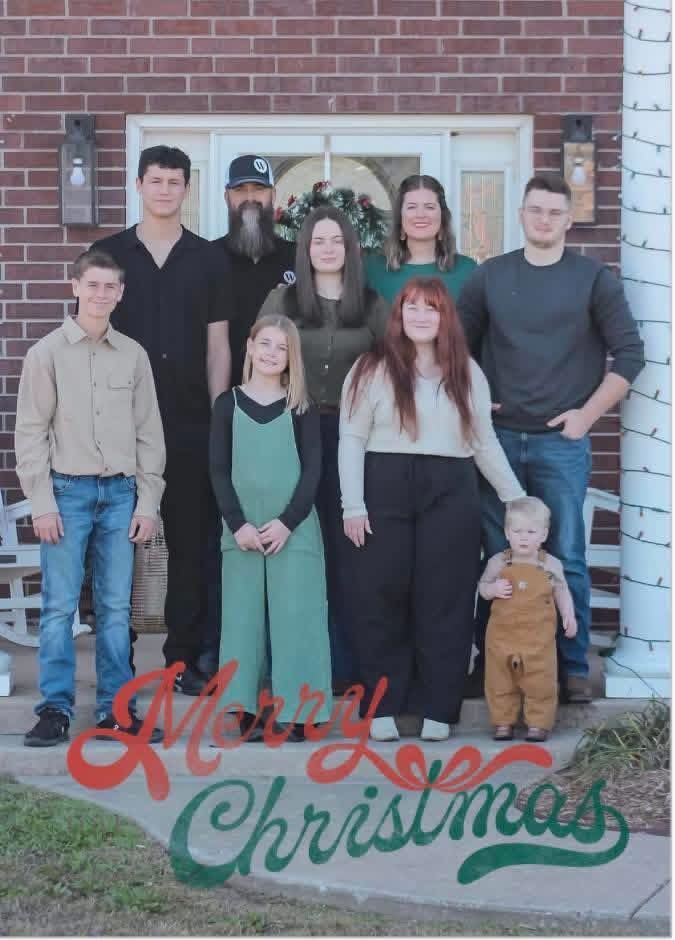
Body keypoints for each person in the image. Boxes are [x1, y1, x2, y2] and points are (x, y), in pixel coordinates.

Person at [458, 173, 645, 705]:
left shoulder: (593, 279)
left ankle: (571, 667)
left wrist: (587, 416)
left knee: (565, 554)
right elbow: (454, 348)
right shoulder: (491, 277)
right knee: (496, 553)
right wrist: (475, 398)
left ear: (568, 219)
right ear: (521, 213)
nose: (544, 219)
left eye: (554, 212)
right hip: (495, 442)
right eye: (535, 209)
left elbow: (630, 354)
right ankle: (493, 666)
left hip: (561, 443)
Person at [338, 277, 524, 743]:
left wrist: (515, 498)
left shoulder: (467, 372)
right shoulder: (370, 367)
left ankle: (439, 707)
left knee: (445, 598)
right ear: (398, 315)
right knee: (381, 596)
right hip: (383, 485)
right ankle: (383, 706)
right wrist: (352, 505)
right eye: (412, 307)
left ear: (445, 318)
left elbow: (483, 441)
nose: (421, 316)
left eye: (431, 308)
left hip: (451, 489)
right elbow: (351, 439)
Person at [92, 145, 231, 695]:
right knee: (115, 546)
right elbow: (90, 339)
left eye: (175, 181)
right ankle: (117, 662)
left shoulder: (208, 259)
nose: (165, 190)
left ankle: (184, 660)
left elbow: (218, 345)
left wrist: (221, 417)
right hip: (119, 427)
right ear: (138, 185)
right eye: (156, 180)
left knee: (192, 546)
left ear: (187, 189)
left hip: (192, 423)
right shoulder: (109, 255)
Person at [15, 249, 165, 746]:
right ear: (75, 286)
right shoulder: (46, 354)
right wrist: (41, 501)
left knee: (116, 609)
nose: (101, 295)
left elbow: (149, 434)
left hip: (121, 495)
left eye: (110, 287)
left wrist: (147, 501)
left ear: (121, 293)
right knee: (59, 607)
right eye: (92, 285)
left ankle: (115, 713)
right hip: (66, 493)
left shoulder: (134, 355)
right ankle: (55, 710)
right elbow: (30, 432)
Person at [257, 207, 389, 694]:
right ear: (305, 249)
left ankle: (343, 665)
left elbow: (398, 366)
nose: (328, 249)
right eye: (318, 241)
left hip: (355, 438)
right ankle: (287, 664)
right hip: (292, 431)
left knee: (347, 550)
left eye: (337, 240)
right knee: (294, 546)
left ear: (350, 248)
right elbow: (261, 360)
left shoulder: (371, 304)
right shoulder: (284, 299)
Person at [209, 315, 332, 742]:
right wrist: (237, 523)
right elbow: (218, 470)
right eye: (265, 343)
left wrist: (287, 522)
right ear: (249, 346)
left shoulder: (301, 407)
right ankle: (244, 710)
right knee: (242, 619)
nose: (271, 353)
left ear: (291, 357)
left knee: (296, 616)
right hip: (241, 528)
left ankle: (301, 713)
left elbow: (313, 471)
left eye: (282, 348)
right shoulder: (227, 405)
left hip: (292, 527)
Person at [480, 497, 577, 743]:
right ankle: (503, 722)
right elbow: (482, 587)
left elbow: (562, 591)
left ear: (543, 534)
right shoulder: (498, 562)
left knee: (540, 680)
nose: (523, 538)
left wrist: (568, 615)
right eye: (517, 531)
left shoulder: (550, 564)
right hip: (502, 637)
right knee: (500, 680)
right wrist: (492, 589)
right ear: (506, 532)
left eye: (531, 532)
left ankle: (538, 724)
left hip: (538, 640)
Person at [212, 154, 297, 386]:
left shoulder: (297, 257)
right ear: (227, 197)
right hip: (224, 395)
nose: (250, 198)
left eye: (259, 189)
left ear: (273, 195)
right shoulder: (208, 258)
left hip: (286, 395)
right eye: (240, 190)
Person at [364, 174, 477, 303]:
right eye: (412, 207)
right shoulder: (373, 269)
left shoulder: (467, 270)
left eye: (429, 207)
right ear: (400, 217)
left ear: (442, 217)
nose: (420, 214)